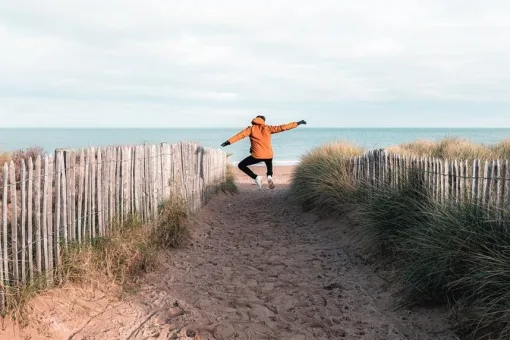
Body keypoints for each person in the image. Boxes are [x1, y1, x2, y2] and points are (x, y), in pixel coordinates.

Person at [221, 115, 307, 189]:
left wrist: (228, 142)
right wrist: (298, 123)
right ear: (263, 121)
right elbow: (283, 127)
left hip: (257, 156)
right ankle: (269, 176)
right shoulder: (268, 128)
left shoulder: (250, 129)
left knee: (241, 165)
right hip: (269, 154)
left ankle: (256, 177)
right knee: (269, 161)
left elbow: (239, 136)